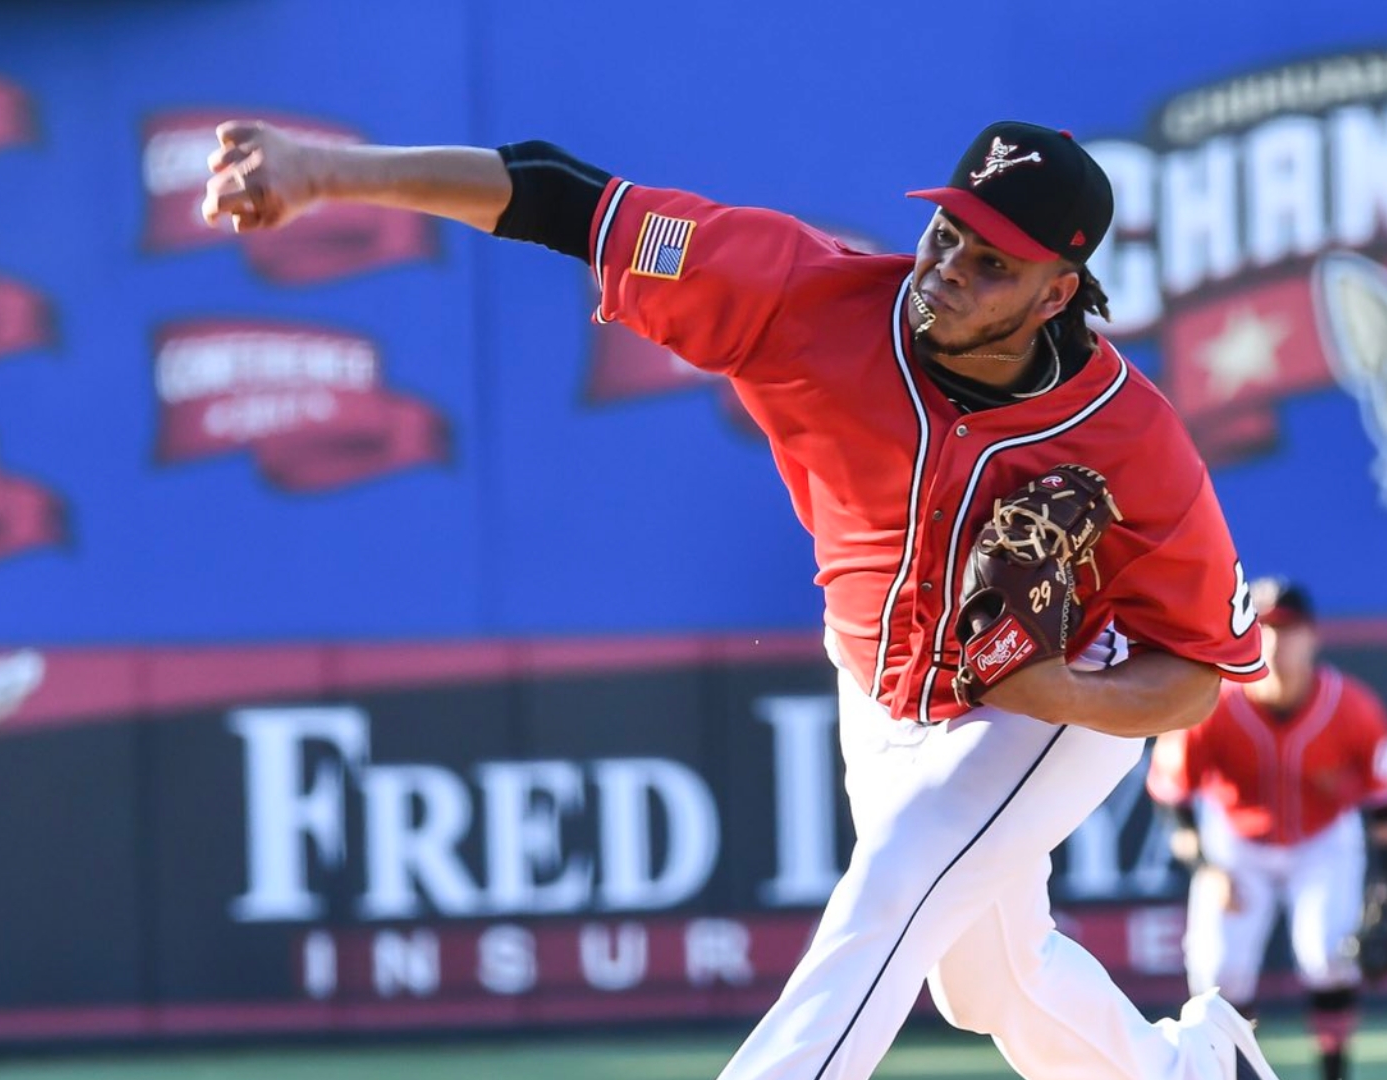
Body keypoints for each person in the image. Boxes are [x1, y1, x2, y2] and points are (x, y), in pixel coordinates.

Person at [204, 117, 1277, 1080]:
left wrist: (1059, 692)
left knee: (891, 896)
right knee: (986, 985)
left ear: (1057, 293)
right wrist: (323, 171)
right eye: (947, 231)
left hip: (1050, 701)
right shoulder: (800, 296)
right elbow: (560, 192)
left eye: (990, 262)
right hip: (879, 682)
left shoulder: (1135, 446)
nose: (947, 267)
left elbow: (1192, 681)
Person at [1146, 579, 1387, 1080]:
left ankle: (1334, 1070)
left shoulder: (1352, 706)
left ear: (1312, 637)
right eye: (1263, 628)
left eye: (1286, 630)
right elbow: (1171, 794)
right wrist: (1205, 867)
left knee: (1330, 957)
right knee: (1217, 972)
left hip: (1324, 841)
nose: (1274, 642)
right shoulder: (1213, 704)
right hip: (1235, 842)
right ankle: (1232, 1071)